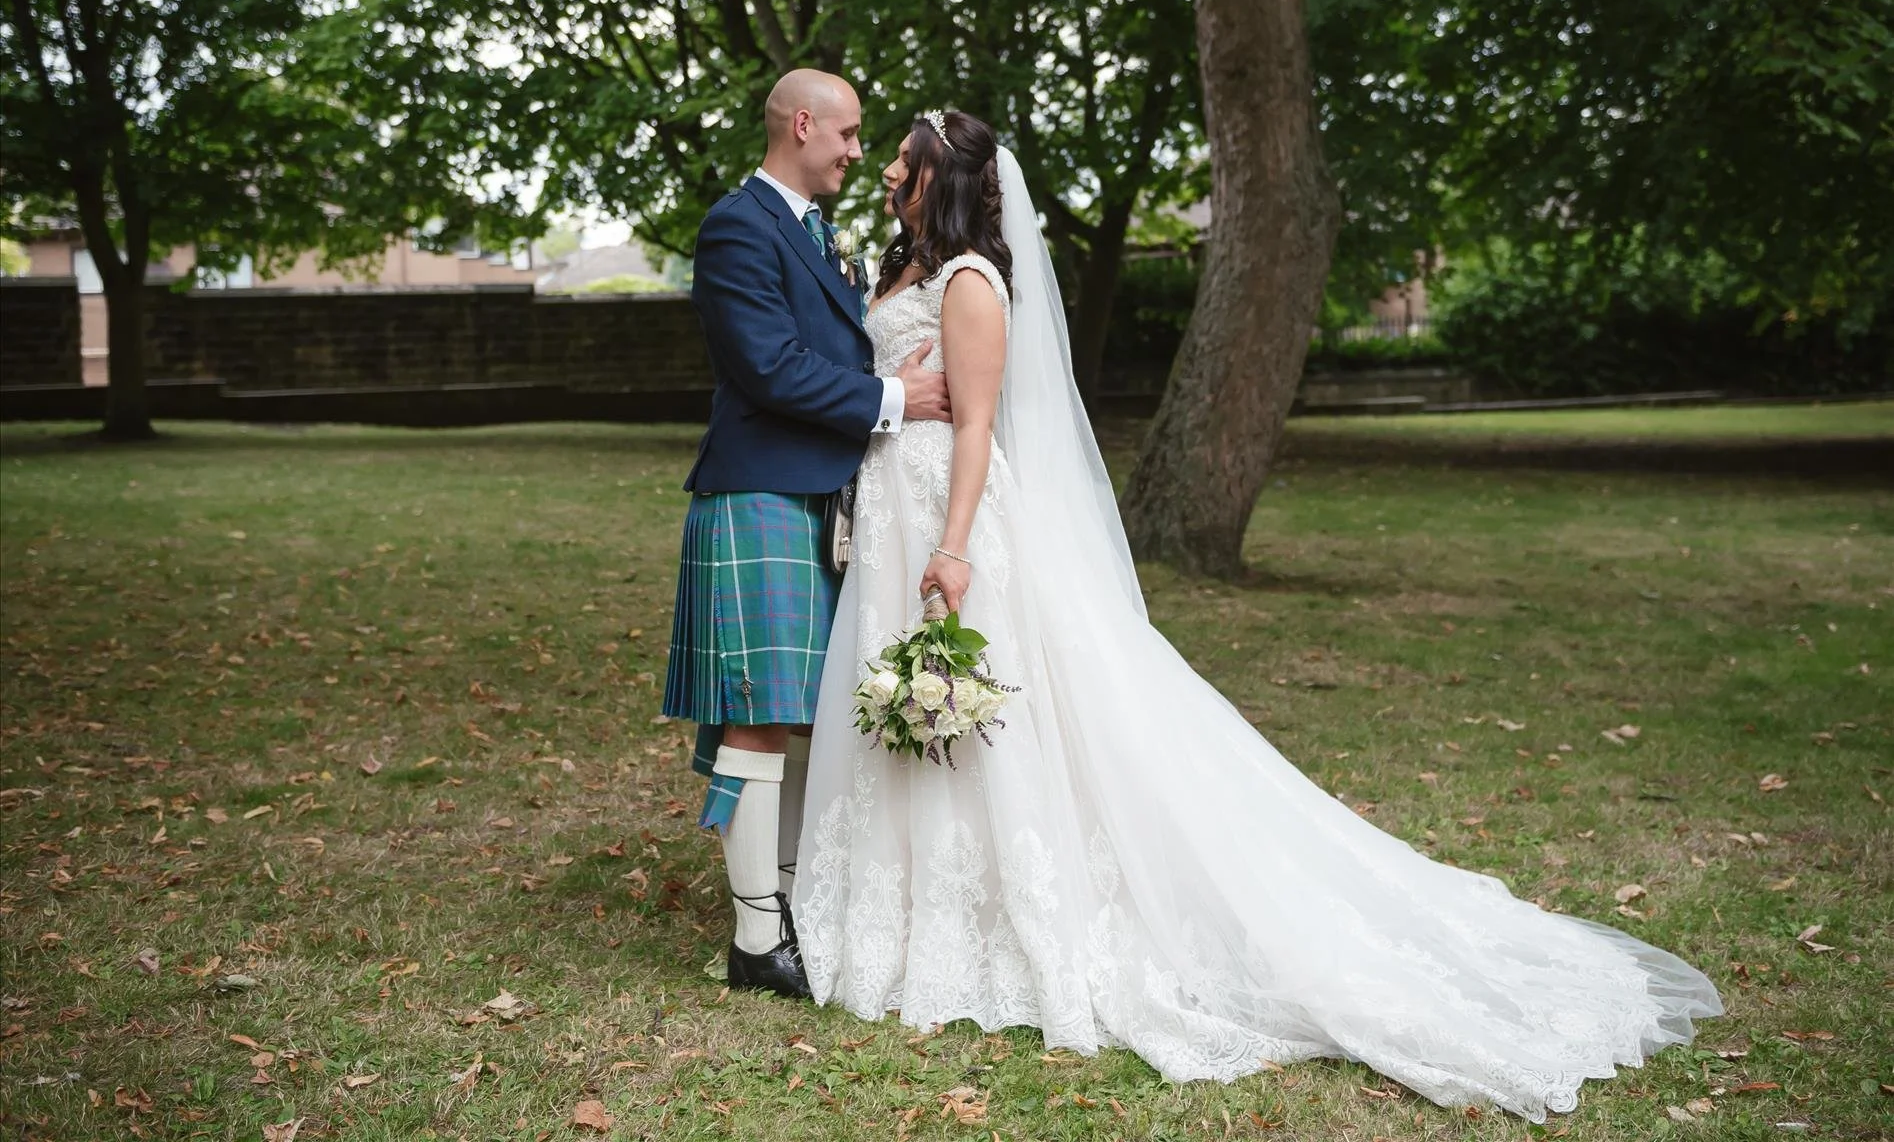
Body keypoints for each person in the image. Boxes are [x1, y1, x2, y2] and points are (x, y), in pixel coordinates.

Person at [790, 108, 1723, 1121]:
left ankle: (995, 914)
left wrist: (954, 545)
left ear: (948, 178)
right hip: (888, 511)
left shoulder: (971, 281)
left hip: (946, 513)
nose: (888, 173)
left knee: (986, 714)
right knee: (914, 707)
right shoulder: (902, 272)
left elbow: (976, 425)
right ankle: (909, 903)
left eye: (906, 162)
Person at [662, 69, 949, 999]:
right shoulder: (738, 225)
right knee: (760, 710)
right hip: (760, 493)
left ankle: (790, 910)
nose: (859, 152)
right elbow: (769, 367)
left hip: (818, 496)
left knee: (801, 713)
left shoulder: (816, 231)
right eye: (849, 133)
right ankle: (756, 942)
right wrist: (896, 396)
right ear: (801, 124)